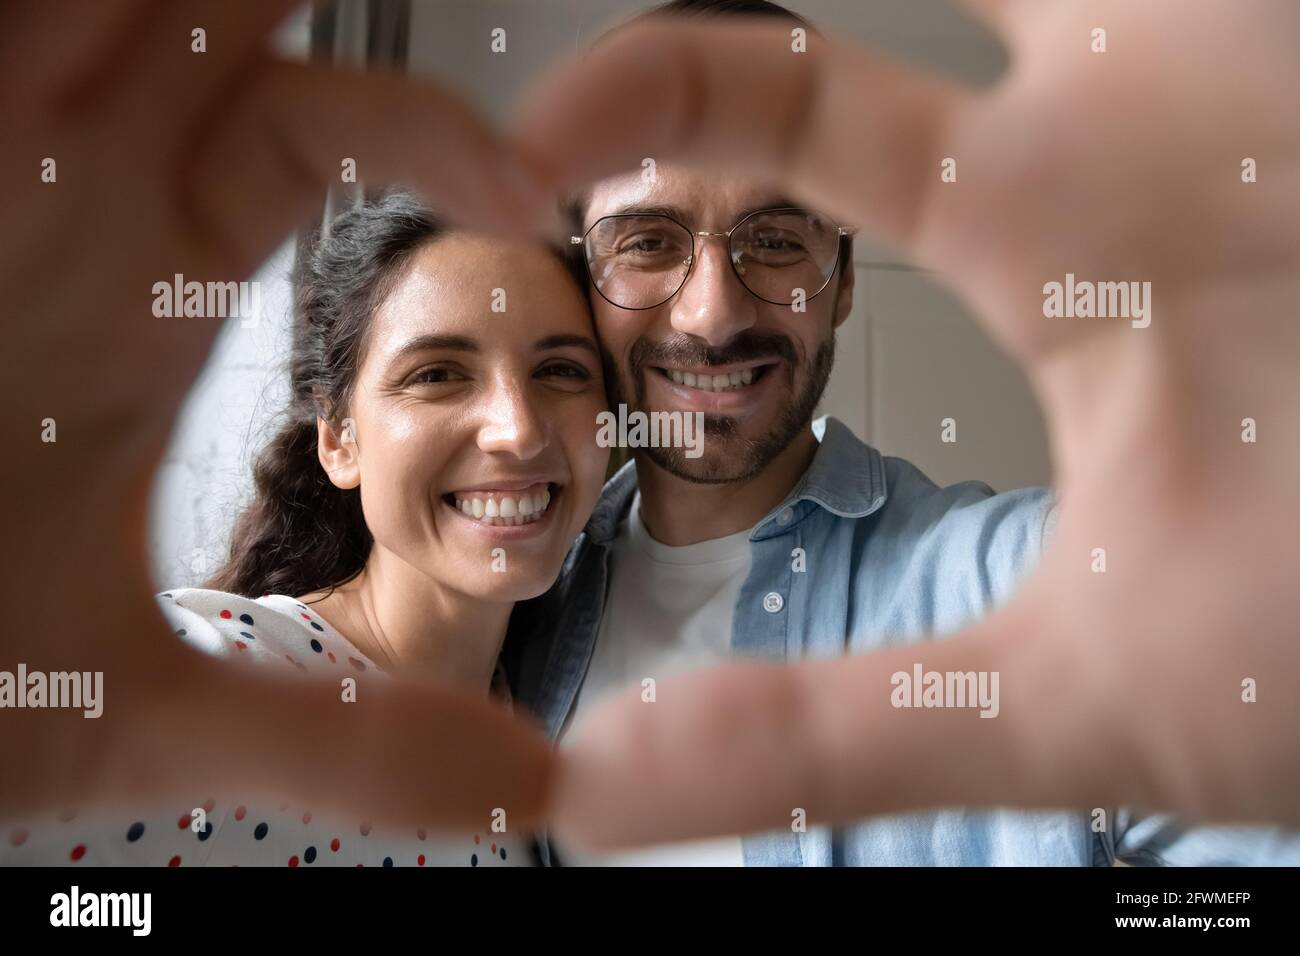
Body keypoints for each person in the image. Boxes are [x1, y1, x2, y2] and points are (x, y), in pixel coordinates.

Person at [500, 0, 1300, 864]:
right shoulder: (513, 608)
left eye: (775, 239)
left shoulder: (1023, 580)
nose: (714, 313)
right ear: (580, 278)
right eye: (647, 241)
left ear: (842, 283)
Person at [1, 191, 609, 865]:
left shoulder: (537, 721)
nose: (518, 429)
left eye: (560, 370)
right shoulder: (227, 680)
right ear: (339, 440)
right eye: (437, 375)